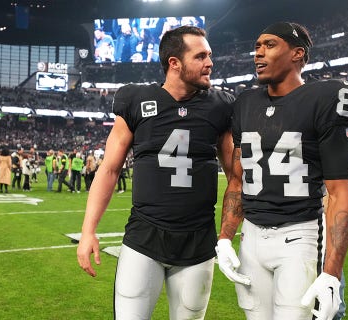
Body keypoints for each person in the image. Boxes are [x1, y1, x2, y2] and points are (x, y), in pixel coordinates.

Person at [77, 25, 234, 319]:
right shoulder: (136, 100)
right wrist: (88, 231)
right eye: (200, 56)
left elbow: (235, 178)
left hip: (198, 242)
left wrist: (229, 235)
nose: (210, 63)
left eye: (209, 55)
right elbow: (109, 170)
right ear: (174, 63)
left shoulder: (220, 106)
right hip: (144, 239)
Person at [215, 22, 348, 320]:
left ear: (297, 54)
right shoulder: (245, 103)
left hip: (300, 235)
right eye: (256, 46)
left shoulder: (324, 99)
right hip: (251, 237)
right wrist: (225, 237)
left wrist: (332, 273)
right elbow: (238, 180)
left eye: (269, 45)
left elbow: (340, 193)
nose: (258, 53)